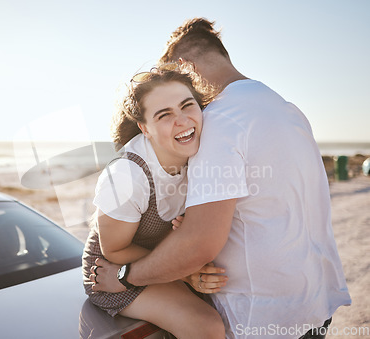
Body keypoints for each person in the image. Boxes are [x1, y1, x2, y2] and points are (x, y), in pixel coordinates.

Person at [91, 18, 351, 338]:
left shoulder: (219, 121)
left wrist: (127, 274)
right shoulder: (286, 108)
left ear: (185, 69)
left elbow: (198, 244)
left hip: (261, 314)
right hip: (312, 303)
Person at [82, 66, 227, 338]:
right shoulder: (126, 176)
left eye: (187, 106)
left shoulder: (207, 149)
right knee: (207, 326)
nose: (182, 121)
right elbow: (113, 250)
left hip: (167, 259)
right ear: (144, 128)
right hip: (114, 273)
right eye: (165, 115)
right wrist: (184, 272)